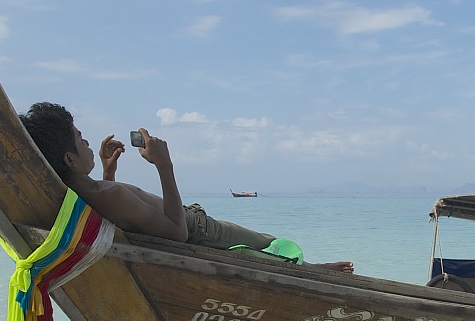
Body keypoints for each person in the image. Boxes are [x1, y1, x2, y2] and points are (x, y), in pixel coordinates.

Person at [18, 102, 353, 273]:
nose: (87, 140)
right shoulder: (109, 194)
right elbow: (178, 232)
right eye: (79, 138)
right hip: (200, 230)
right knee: (269, 244)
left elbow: (118, 212)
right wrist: (165, 164)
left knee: (265, 245)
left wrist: (108, 169)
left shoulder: (93, 192)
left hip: (196, 226)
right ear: (69, 159)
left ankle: (311, 268)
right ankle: (315, 270)